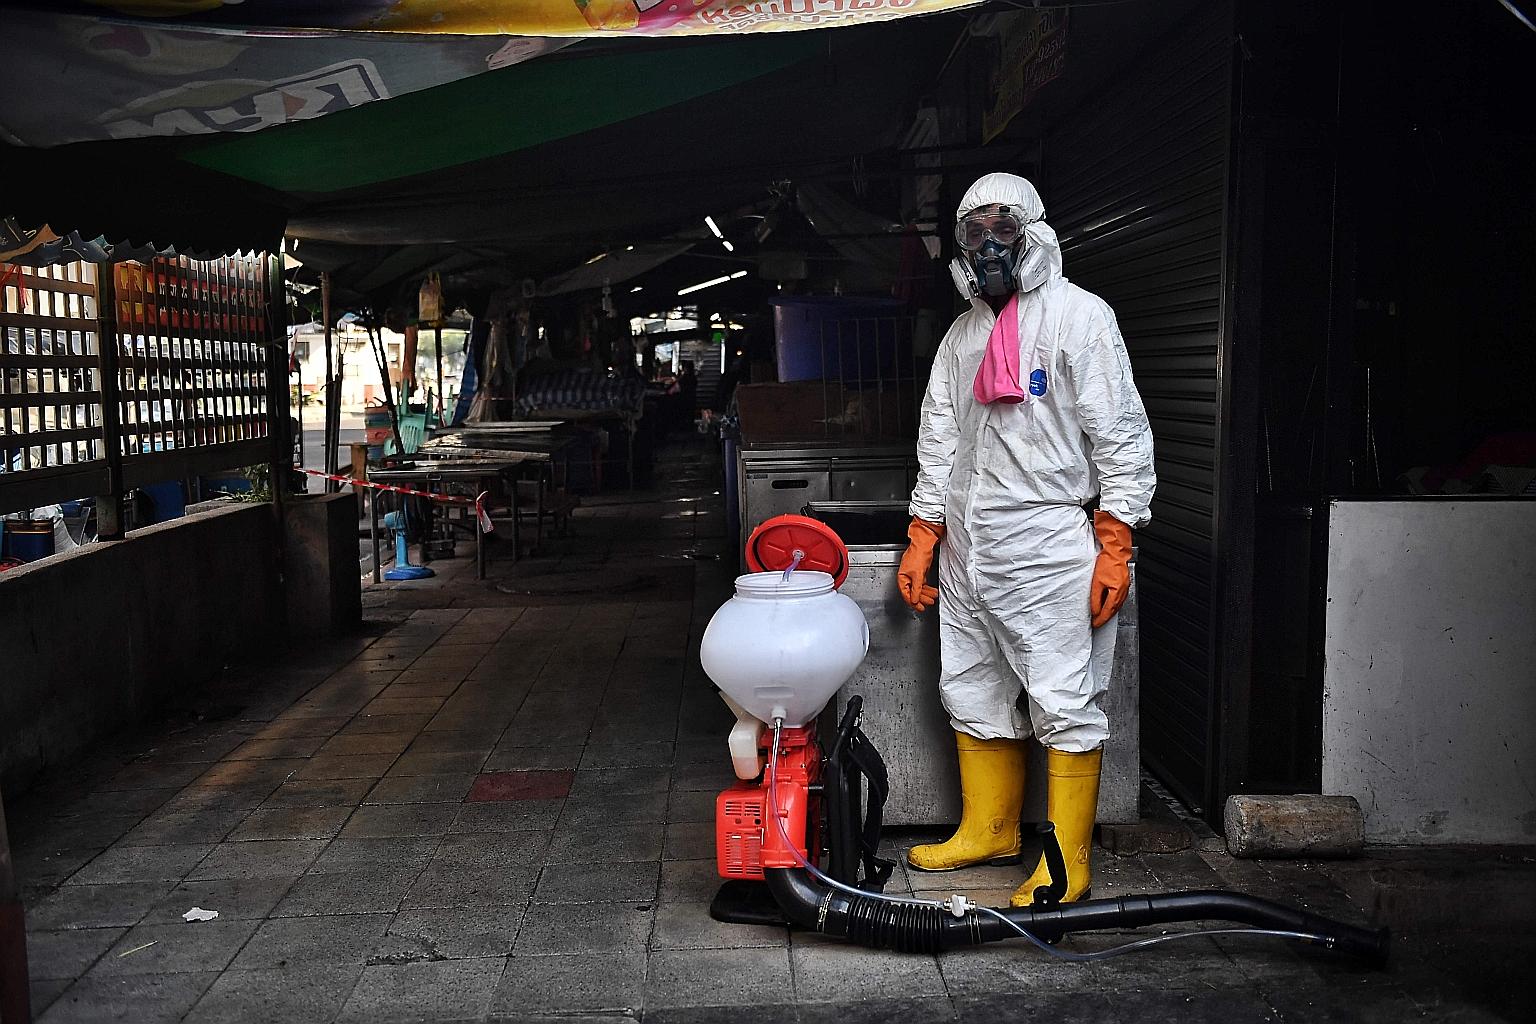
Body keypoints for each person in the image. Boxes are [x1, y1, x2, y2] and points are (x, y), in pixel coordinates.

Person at [898, 173, 1155, 906]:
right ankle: (991, 829)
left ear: (1034, 231)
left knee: (1063, 696)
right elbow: (939, 437)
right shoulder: (962, 333)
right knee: (973, 686)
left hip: (1044, 544)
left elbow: (1121, 434)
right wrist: (924, 532)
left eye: (1001, 227)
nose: (987, 244)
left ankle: (1068, 862)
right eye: (973, 231)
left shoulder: (1081, 318)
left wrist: (1116, 537)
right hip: (967, 549)